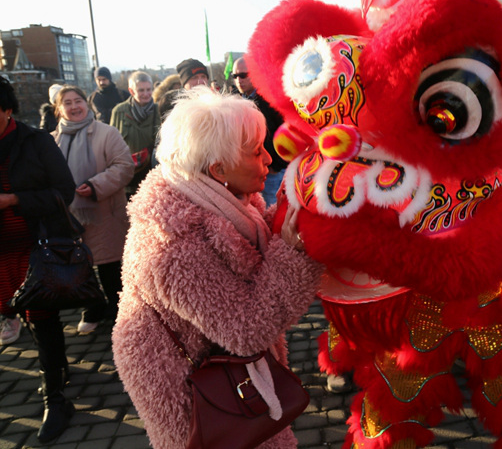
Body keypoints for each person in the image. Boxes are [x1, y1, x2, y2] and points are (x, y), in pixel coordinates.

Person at [112, 88, 322, 449]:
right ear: (218, 169)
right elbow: (247, 328)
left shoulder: (224, 197)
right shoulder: (171, 244)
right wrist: (296, 252)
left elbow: (251, 240)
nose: (269, 159)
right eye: (256, 151)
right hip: (191, 387)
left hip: (224, 366)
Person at [0, 76, 77, 442]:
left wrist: (14, 200)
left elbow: (65, 191)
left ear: (7, 109)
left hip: (35, 249)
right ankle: (57, 370)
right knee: (18, 320)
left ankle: (56, 398)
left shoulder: (36, 142)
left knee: (43, 322)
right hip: (0, 256)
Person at [52, 86, 134, 334]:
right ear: (59, 109)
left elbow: (124, 166)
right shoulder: (51, 140)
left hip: (104, 212)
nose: (74, 106)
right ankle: (92, 308)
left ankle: (122, 312)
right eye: (67, 102)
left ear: (87, 104)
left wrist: (96, 185)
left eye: (78, 101)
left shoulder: (106, 133)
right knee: (80, 268)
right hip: (69, 217)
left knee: (111, 267)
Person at [232, 57, 288, 206]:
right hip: (247, 174)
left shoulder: (271, 99)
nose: (239, 80)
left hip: (271, 174)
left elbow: (286, 132)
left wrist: (275, 166)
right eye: (235, 76)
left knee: (273, 212)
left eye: (243, 75)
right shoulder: (232, 102)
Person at [110, 70, 160, 199]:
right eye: (141, 90)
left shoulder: (158, 110)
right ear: (131, 91)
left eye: (149, 89)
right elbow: (111, 143)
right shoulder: (119, 111)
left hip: (151, 175)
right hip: (127, 177)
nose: (146, 94)